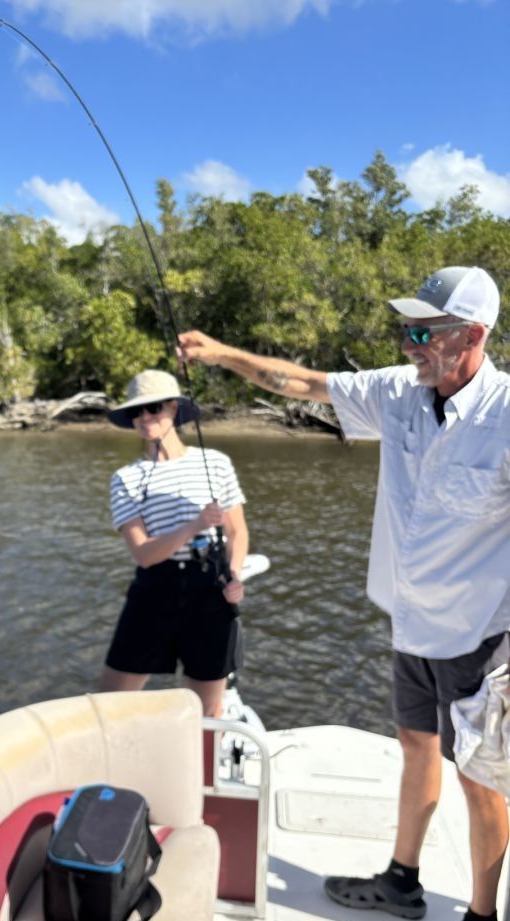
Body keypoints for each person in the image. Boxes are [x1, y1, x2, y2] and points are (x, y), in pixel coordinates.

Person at [178, 265, 509, 921]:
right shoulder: (399, 391)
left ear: (471, 334)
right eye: (405, 327)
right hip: (411, 622)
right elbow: (301, 382)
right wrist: (218, 353)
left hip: (480, 634)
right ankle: (402, 880)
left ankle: (479, 913)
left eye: (423, 329)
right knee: (416, 745)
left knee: (484, 782)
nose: (408, 342)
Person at [99, 368, 249, 718]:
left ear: (174, 409)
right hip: (155, 590)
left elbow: (238, 532)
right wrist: (193, 525)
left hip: (209, 589)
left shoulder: (216, 463)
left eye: (153, 408)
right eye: (136, 411)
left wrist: (234, 575)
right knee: (110, 702)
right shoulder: (125, 478)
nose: (145, 417)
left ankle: (203, 773)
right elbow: (143, 554)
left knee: (207, 709)